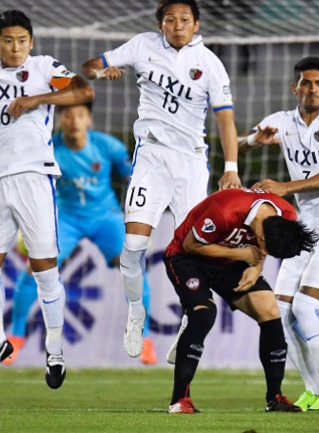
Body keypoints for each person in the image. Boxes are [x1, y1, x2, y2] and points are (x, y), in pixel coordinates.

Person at [81, 0, 242, 359]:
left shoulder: (210, 65)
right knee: (134, 246)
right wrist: (98, 72)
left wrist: (230, 166)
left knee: (190, 249)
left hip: (190, 165)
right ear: (161, 25)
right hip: (151, 158)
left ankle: (189, 313)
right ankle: (136, 311)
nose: (178, 25)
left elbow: (226, 121)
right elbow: (90, 65)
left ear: (196, 25)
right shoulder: (142, 46)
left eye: (185, 19)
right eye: (171, 20)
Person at [237, 56, 319, 411]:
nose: (312, 89)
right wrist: (255, 141)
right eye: (305, 83)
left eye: (318, 83)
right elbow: (244, 143)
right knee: (281, 312)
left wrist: (285, 187)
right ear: (295, 88)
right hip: (303, 227)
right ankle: (314, 389)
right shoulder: (281, 121)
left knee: (305, 308)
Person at [3, 103, 157, 366]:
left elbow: (135, 179)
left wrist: (142, 217)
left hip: (105, 217)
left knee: (133, 268)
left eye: (80, 115)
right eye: (68, 114)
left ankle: (143, 339)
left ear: (89, 119)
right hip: (66, 219)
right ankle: (15, 337)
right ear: (59, 119)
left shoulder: (108, 147)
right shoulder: (47, 148)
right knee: (35, 269)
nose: (74, 120)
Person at [0, 9, 95, 387]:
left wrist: (36, 99)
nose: (15, 47)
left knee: (44, 270)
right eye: (8, 40)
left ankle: (54, 353)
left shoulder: (41, 67)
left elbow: (84, 91)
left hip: (34, 177)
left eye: (22, 40)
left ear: (32, 42)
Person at [163, 188, 318, 414]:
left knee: (269, 309)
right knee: (204, 313)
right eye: (266, 248)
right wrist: (243, 255)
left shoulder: (285, 217)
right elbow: (190, 245)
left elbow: (260, 251)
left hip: (230, 261)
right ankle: (180, 400)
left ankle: (275, 398)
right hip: (188, 258)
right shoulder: (225, 212)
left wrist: (256, 267)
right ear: (261, 238)